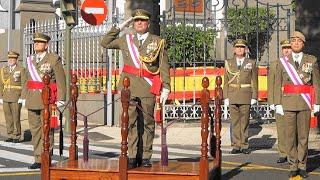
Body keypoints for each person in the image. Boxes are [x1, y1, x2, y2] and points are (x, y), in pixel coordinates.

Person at [101, 9, 170, 168]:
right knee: (130, 122)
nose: (139, 23)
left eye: (142, 20)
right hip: (128, 88)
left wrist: (166, 87)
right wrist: (120, 26)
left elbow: (163, 66)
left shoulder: (157, 41)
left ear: (148, 23)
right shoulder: (126, 39)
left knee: (147, 123)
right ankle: (132, 155)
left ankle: (145, 156)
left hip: (148, 87)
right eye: (136, 20)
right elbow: (105, 42)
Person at [274, 31, 320, 178]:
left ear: (303, 44)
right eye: (293, 41)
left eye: (298, 41)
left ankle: (302, 165)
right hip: (287, 103)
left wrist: (317, 103)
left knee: (303, 137)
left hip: (304, 103)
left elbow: (317, 84)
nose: (295, 43)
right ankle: (292, 165)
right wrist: (277, 103)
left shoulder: (311, 60)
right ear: (291, 44)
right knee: (289, 137)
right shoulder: (283, 62)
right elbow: (277, 84)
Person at [21, 33, 66, 169]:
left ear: (46, 45)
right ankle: (38, 158)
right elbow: (26, 80)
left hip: (47, 99)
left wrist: (61, 99)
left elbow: (61, 81)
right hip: (32, 99)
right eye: (35, 42)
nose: (36, 44)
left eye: (39, 42)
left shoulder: (53, 58)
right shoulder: (30, 59)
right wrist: (23, 97)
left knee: (47, 130)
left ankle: (46, 157)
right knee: (35, 131)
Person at [223, 39, 258, 154]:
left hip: (245, 94)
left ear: (245, 49)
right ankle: (236, 145)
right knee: (235, 121)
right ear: (234, 49)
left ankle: (244, 144)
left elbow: (254, 80)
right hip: (232, 94)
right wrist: (226, 97)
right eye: (237, 47)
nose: (239, 49)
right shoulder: (228, 62)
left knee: (245, 121)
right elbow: (226, 81)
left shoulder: (251, 62)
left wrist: (254, 96)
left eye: (242, 47)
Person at [268, 39, 292, 164]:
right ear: (281, 50)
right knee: (281, 128)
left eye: (289, 47)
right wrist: (272, 102)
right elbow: (271, 83)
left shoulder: (297, 63)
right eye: (284, 48)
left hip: (294, 100)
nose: (287, 50)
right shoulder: (275, 64)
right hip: (280, 100)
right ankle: (283, 153)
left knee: (293, 130)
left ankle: (293, 153)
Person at [0, 51, 26, 143]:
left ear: (16, 60)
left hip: (16, 97)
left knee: (16, 117)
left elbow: (24, 84)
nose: (10, 60)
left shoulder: (21, 69)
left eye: (12, 59)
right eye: (9, 59)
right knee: (8, 117)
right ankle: (10, 134)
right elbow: (1, 84)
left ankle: (17, 135)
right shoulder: (4, 69)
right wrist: (1, 96)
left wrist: (22, 97)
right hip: (6, 96)